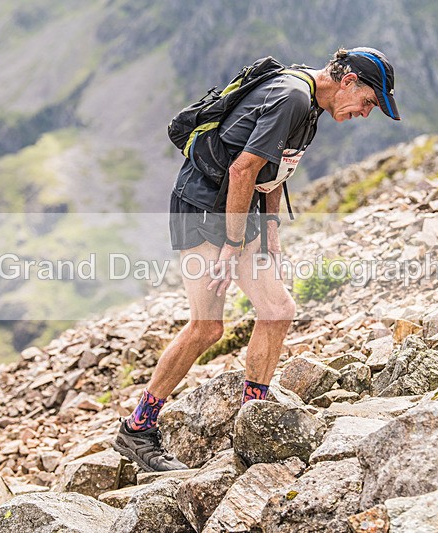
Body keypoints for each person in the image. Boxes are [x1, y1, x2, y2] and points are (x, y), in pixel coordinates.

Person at [113, 47, 400, 472]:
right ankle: (137, 429)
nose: (365, 112)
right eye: (369, 102)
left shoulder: (311, 103)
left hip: (233, 209)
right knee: (207, 327)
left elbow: (272, 172)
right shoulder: (294, 98)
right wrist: (232, 245)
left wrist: (268, 228)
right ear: (349, 82)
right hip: (201, 207)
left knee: (278, 310)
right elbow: (243, 171)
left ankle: (251, 423)